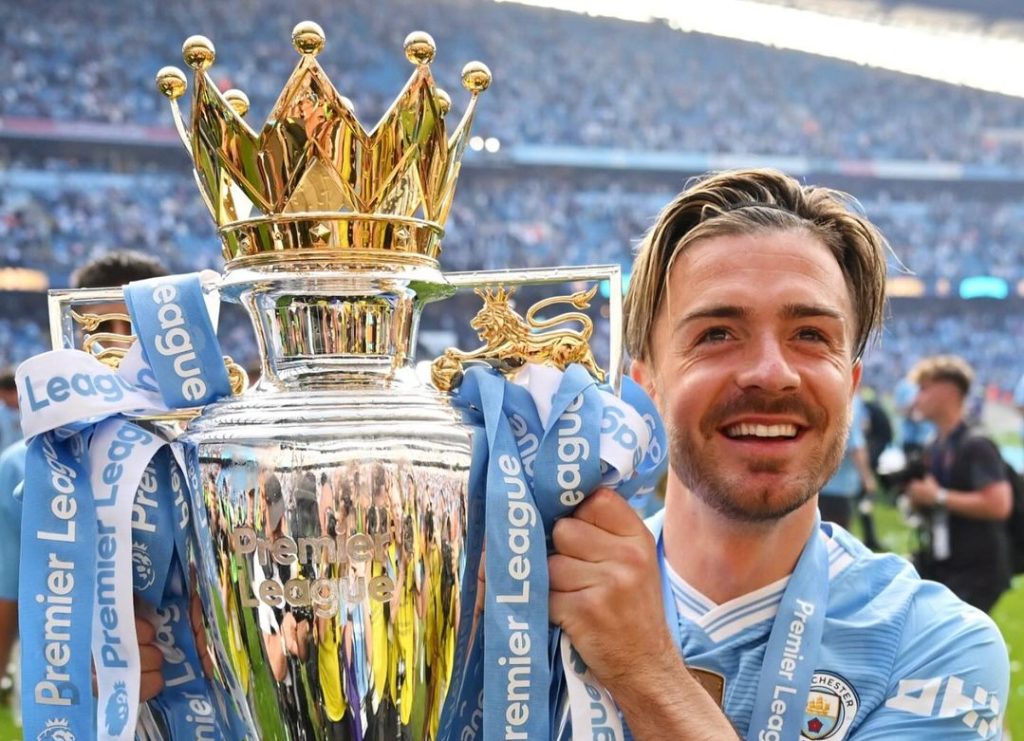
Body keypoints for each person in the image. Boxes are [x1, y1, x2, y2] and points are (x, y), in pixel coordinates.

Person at [547, 169, 1008, 738]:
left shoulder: (934, 643)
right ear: (646, 387)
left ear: (851, 383)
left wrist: (643, 671)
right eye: (716, 333)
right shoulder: (533, 599)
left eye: (812, 335)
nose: (772, 372)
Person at [0, 250, 170, 706]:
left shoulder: (203, 457)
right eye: (100, 330)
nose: (116, 346)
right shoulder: (24, 467)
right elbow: (6, 599)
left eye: (132, 330)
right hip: (75, 705)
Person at [906, 355, 1012, 614]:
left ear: (948, 391)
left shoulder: (976, 443)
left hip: (977, 569)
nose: (917, 398)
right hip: (949, 562)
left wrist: (937, 496)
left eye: (924, 388)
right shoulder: (936, 444)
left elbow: (999, 504)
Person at [818, 392, 877, 530]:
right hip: (839, 485)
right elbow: (855, 446)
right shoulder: (849, 401)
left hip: (818, 481)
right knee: (835, 538)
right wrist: (867, 478)